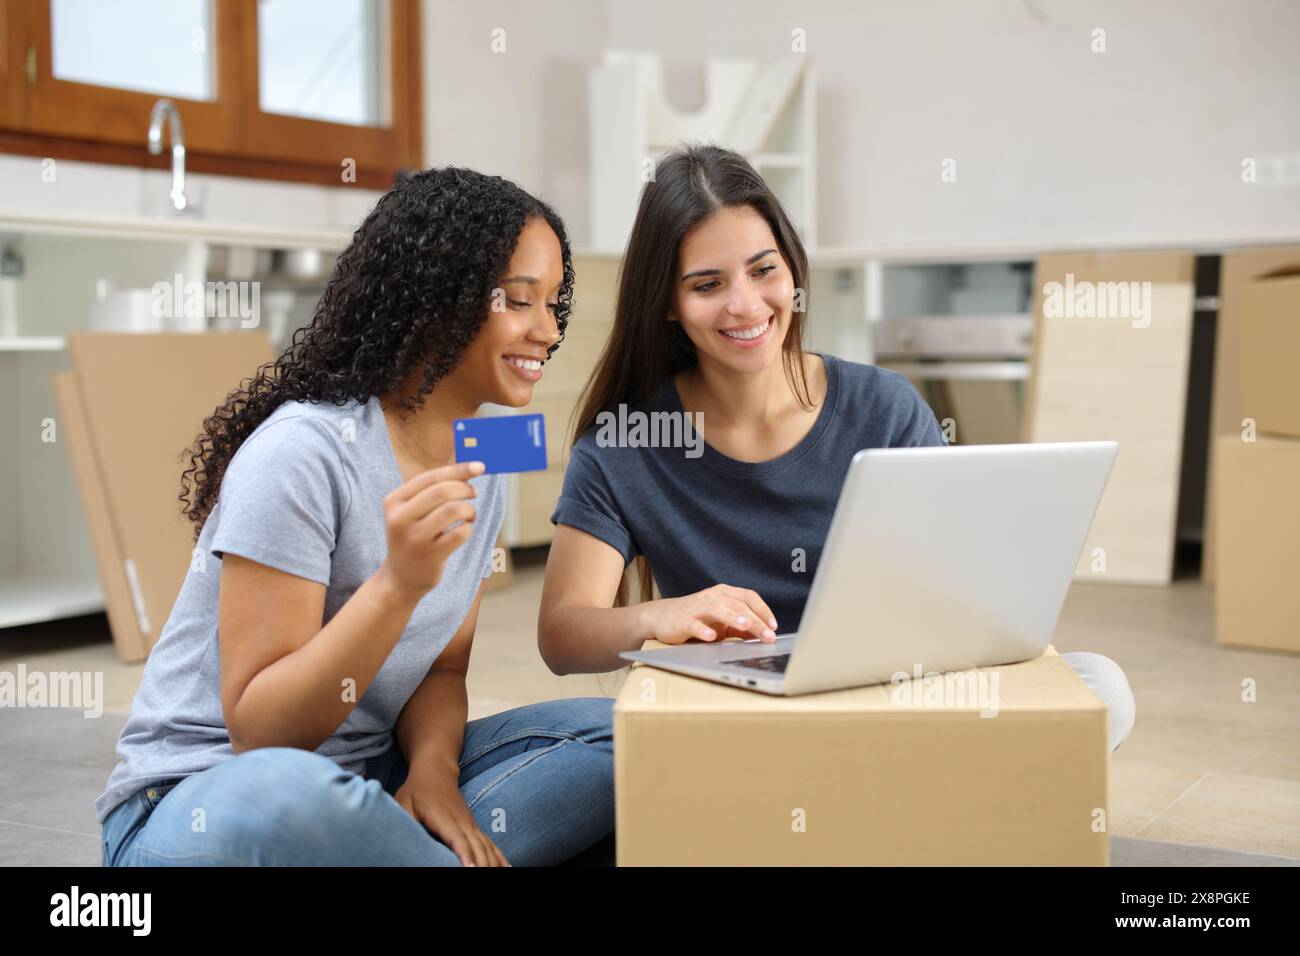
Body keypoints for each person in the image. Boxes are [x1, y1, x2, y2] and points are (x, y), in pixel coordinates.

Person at [538, 144, 1135, 753]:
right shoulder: (625, 442)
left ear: (793, 270)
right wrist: (655, 618)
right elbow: (562, 635)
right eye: (708, 284)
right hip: (744, 713)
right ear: (667, 301)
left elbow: (962, 589)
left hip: (890, 695)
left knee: (1100, 688)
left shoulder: (884, 406)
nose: (745, 304)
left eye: (764, 270)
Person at [98, 167, 615, 867]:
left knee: (626, 737)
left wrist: (433, 774)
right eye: (521, 301)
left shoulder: (483, 459)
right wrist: (397, 586)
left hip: (372, 786)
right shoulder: (302, 452)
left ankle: (408, 848)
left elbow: (441, 669)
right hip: (209, 798)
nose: (548, 331)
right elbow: (262, 735)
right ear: (439, 300)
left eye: (554, 303)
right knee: (291, 798)